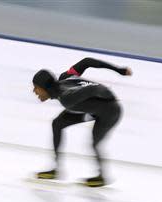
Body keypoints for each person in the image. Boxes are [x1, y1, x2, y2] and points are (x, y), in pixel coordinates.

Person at [32, 57, 132, 187]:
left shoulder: (67, 97)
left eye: (36, 87)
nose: (34, 91)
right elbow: (86, 62)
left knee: (94, 143)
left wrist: (108, 94)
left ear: (45, 88)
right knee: (57, 123)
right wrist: (119, 70)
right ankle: (56, 170)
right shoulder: (65, 77)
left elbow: (93, 90)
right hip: (91, 109)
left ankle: (102, 177)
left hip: (110, 112)